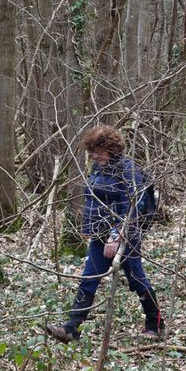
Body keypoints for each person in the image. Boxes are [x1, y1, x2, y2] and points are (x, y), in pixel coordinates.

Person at [46, 125, 166, 343]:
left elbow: (131, 207)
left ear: (112, 148)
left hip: (125, 236)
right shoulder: (98, 168)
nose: (94, 155)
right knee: (88, 279)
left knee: (137, 280)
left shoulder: (128, 170)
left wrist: (115, 236)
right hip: (98, 235)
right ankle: (71, 329)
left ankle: (156, 324)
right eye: (92, 151)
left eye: (99, 150)